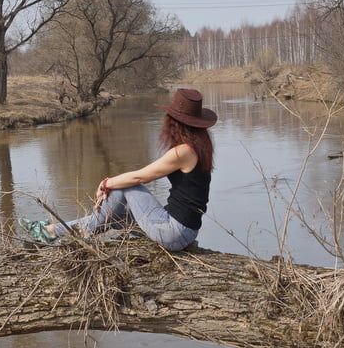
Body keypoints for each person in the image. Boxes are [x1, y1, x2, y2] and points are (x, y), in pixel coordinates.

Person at [20, 88, 217, 251]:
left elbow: (141, 176)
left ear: (175, 122)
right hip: (184, 231)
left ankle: (55, 232)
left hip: (174, 233)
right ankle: (56, 231)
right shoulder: (200, 146)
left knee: (127, 187)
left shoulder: (183, 151)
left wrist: (107, 183)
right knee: (115, 214)